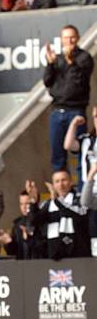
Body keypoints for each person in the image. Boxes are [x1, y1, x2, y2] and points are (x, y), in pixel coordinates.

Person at [26, 172, 92, 319]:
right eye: (56, 181)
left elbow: (79, 216)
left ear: (70, 181)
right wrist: (34, 200)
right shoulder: (50, 204)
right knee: (54, 305)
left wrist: (57, 200)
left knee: (79, 304)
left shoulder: (80, 199)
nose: (60, 184)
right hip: (55, 262)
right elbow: (33, 221)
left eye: (64, 180)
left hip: (79, 259)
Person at [0, 189, 47, 319]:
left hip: (39, 275)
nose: (25, 206)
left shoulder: (42, 222)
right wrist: (8, 242)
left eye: (28, 203)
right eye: (22, 204)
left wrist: (31, 238)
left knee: (39, 312)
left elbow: (44, 248)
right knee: (21, 312)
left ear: (34, 203)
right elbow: (15, 252)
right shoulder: (17, 224)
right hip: (21, 277)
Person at [43, 25, 94, 172]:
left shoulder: (84, 57)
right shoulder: (57, 58)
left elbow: (79, 81)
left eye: (72, 37)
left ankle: (80, 189)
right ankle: (61, 188)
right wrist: (50, 64)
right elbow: (47, 81)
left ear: (77, 38)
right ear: (61, 40)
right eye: (66, 37)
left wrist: (70, 60)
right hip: (57, 111)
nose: (69, 40)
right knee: (57, 155)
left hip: (76, 111)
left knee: (80, 153)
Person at [64, 106, 97, 256]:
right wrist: (73, 124)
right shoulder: (86, 140)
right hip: (89, 194)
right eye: (96, 116)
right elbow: (68, 145)